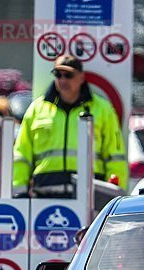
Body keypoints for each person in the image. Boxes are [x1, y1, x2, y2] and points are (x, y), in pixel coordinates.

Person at [13, 55, 128, 197]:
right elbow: (21, 155)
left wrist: (115, 193)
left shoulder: (103, 109)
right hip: (44, 197)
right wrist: (19, 192)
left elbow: (115, 157)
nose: (62, 80)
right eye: (58, 74)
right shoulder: (37, 109)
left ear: (81, 77)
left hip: (89, 198)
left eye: (68, 75)